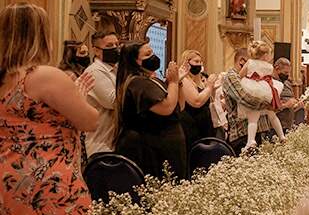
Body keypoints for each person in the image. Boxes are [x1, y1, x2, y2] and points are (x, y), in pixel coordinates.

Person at [0, 3, 98, 215]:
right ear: (42, 35)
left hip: (8, 181)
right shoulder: (44, 76)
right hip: (46, 183)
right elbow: (89, 121)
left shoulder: (5, 79)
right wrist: (78, 96)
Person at [114, 41, 188, 180]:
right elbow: (166, 107)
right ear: (135, 61)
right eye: (148, 54)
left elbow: (179, 105)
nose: (153, 56)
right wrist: (172, 82)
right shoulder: (137, 83)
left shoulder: (153, 80)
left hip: (168, 147)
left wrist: (178, 82)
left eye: (152, 52)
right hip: (151, 148)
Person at [235, 41, 286, 149]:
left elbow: (240, 75)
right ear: (265, 55)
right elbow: (271, 77)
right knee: (272, 115)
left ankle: (251, 141)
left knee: (253, 118)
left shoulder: (250, 63)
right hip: (266, 90)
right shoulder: (269, 66)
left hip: (252, 89)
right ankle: (281, 136)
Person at [222, 48, 273, 154]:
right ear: (242, 61)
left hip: (258, 131)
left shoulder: (250, 76)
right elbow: (244, 98)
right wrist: (267, 104)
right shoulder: (231, 76)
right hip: (242, 133)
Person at [85, 30, 120, 157]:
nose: (115, 48)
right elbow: (113, 101)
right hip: (100, 145)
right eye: (109, 46)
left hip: (113, 143)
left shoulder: (115, 70)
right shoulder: (95, 71)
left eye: (117, 44)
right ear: (96, 50)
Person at [178, 49, 217, 149]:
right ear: (187, 63)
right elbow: (196, 101)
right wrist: (209, 86)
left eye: (200, 62)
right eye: (196, 61)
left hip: (205, 125)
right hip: (192, 125)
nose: (199, 64)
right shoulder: (184, 80)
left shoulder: (198, 81)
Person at [273, 57, 301, 132]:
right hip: (275, 125)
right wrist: (285, 105)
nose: (288, 75)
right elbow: (268, 108)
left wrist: (297, 105)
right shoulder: (271, 83)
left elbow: (291, 103)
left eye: (289, 73)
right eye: (285, 72)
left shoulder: (287, 83)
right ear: (277, 69)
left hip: (288, 124)